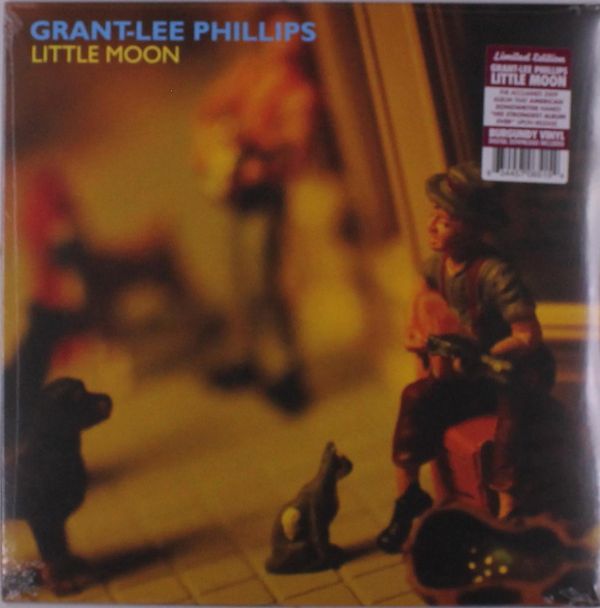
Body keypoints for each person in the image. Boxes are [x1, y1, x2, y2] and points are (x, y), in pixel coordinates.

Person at [377, 161, 555, 553]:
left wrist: (487, 354)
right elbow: (419, 299)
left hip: (509, 375)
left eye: (445, 220)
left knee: (511, 421)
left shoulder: (495, 274)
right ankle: (408, 497)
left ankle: (508, 509)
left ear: (473, 227)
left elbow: (528, 335)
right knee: (415, 397)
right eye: (433, 214)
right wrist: (418, 332)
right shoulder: (435, 267)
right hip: (466, 376)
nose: (432, 226)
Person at [195, 7, 318, 413]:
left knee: (265, 282)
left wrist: (260, 161)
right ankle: (254, 356)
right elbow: (211, 106)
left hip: (264, 190)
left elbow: (295, 149)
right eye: (278, 32)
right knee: (242, 279)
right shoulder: (249, 72)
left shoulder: (298, 89)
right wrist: (218, 146)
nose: (286, 41)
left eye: (293, 32)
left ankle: (287, 368)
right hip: (238, 187)